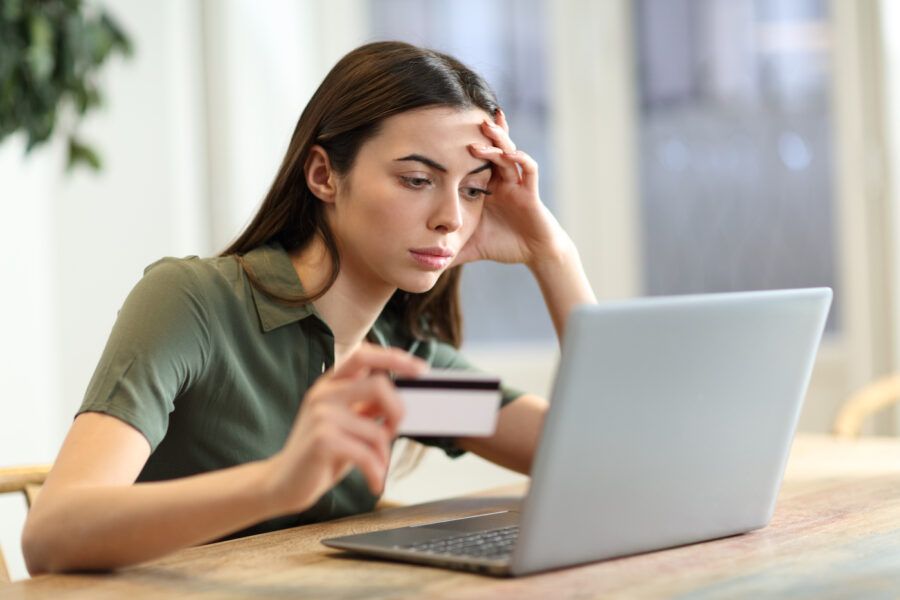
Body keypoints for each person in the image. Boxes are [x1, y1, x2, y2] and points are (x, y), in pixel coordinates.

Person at [22, 40, 596, 574]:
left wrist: (552, 253)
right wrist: (278, 481)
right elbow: (52, 534)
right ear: (323, 175)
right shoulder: (193, 304)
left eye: (473, 189)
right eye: (418, 179)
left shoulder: (402, 379)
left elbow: (593, 460)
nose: (451, 215)